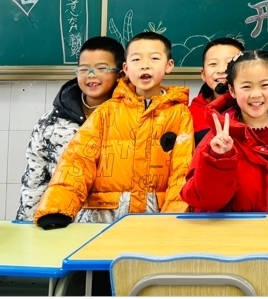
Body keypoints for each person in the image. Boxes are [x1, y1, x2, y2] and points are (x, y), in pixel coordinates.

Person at [33, 32, 194, 228]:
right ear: (125, 68)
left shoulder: (180, 114)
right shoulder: (106, 111)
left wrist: (174, 219)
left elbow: (182, 171)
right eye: (136, 59)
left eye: (154, 58)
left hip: (155, 221)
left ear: (169, 65)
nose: (145, 65)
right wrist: (57, 208)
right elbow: (78, 160)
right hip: (103, 219)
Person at [15, 36, 124, 221]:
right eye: (84, 69)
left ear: (120, 74)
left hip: (112, 225)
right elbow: (35, 181)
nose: (91, 75)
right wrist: (26, 225)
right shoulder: (51, 122)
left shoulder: (130, 120)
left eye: (101, 68)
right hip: (62, 224)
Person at [182, 50, 268, 213]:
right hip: (233, 229)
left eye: (265, 85)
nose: (256, 94)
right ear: (232, 90)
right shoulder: (217, 140)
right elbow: (202, 199)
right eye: (246, 86)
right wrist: (219, 159)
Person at [189, 37, 244, 146]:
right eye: (213, 64)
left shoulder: (255, 108)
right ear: (203, 74)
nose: (221, 70)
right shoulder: (190, 113)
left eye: (230, 63)